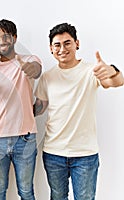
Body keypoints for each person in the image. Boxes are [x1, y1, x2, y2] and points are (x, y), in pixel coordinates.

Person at [34, 22, 124, 200]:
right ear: (51, 49)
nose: (62, 49)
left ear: (77, 44)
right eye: (57, 45)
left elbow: (116, 82)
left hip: (85, 155)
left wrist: (112, 71)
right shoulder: (47, 77)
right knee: (57, 197)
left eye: (67, 43)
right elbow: (39, 108)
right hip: (53, 153)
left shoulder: (92, 71)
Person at [0, 19, 42, 200]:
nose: (1, 41)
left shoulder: (30, 59)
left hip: (24, 138)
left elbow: (36, 70)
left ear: (15, 38)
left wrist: (27, 68)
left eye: (5, 36)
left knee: (26, 191)